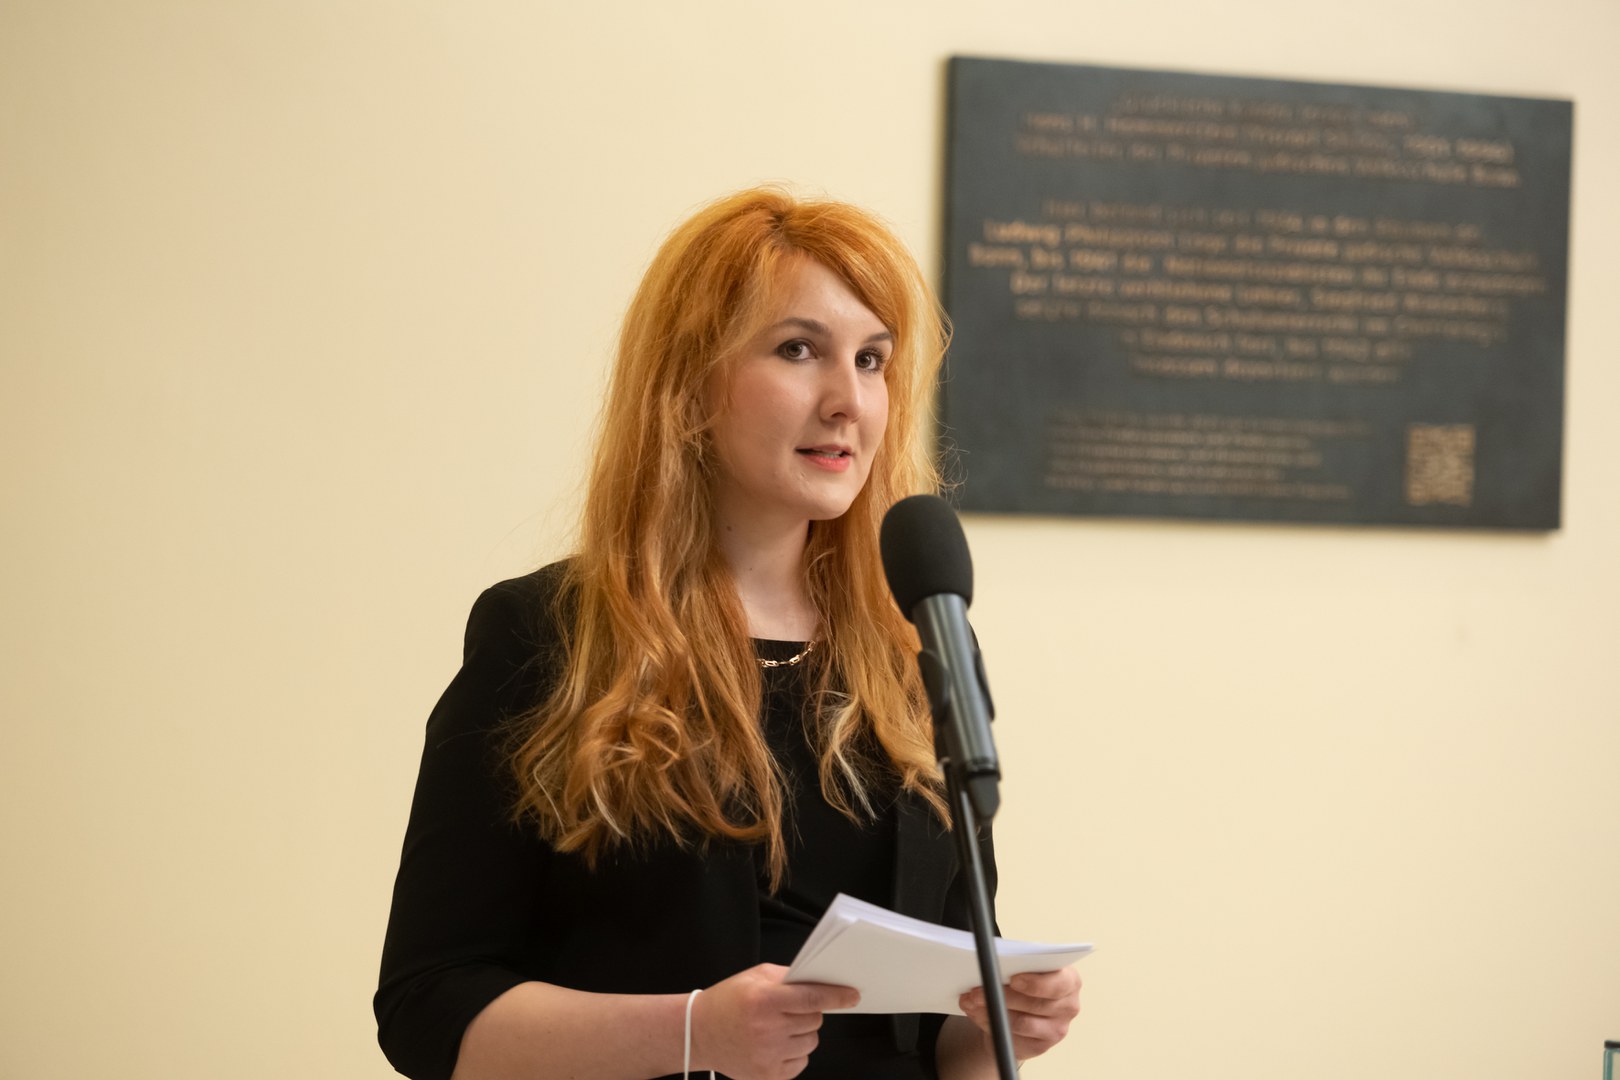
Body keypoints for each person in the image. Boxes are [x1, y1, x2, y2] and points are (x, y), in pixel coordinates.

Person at [375, 187, 1081, 1080]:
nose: (848, 403)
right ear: (690, 386)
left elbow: (938, 1037)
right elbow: (427, 1004)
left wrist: (996, 1022)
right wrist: (691, 1032)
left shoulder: (919, 647)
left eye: (872, 361)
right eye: (799, 350)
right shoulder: (545, 636)